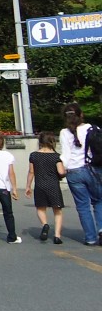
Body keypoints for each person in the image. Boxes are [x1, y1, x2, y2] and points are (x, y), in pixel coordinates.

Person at [59, 102, 102, 246]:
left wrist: (60, 170)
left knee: (83, 206)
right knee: (99, 201)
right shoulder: (90, 128)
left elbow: (65, 155)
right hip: (92, 169)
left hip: (74, 172)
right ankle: (101, 228)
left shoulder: (64, 133)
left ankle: (90, 238)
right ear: (81, 115)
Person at [26, 130, 66, 244]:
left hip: (40, 185)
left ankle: (45, 224)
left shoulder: (33, 155)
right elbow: (61, 171)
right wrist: (65, 171)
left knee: (40, 207)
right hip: (53, 185)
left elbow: (31, 172)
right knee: (57, 210)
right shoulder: (56, 156)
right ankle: (57, 236)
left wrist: (28, 186)